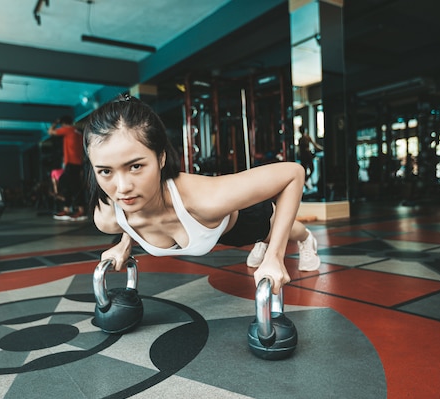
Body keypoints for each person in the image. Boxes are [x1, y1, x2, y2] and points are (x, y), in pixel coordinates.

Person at [83, 95, 321, 295]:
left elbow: (293, 173)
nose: (122, 187)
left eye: (135, 166)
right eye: (105, 171)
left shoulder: (208, 199)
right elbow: (133, 214)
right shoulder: (107, 217)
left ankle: (306, 239)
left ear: (161, 157)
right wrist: (125, 242)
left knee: (290, 231)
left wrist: (275, 256)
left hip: (240, 222)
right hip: (203, 224)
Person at [48, 115, 87, 221]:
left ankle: (80, 211)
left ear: (64, 124)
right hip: (78, 162)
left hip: (71, 163)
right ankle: (68, 209)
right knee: (68, 184)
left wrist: (55, 123)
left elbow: (51, 132)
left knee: (72, 186)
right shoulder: (78, 132)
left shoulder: (68, 129)